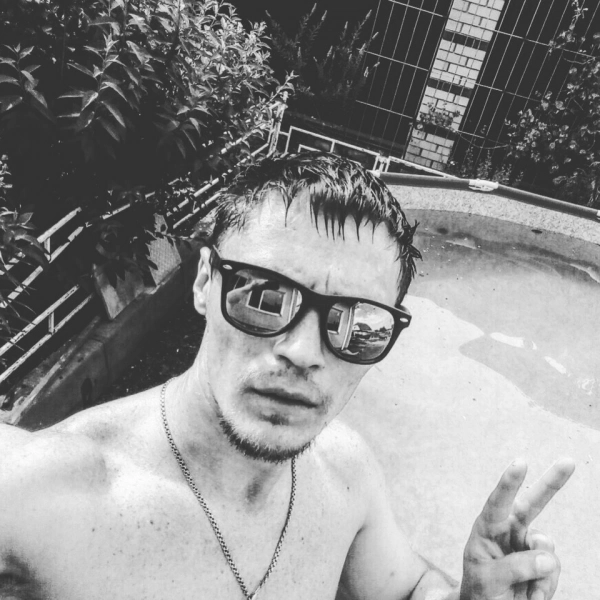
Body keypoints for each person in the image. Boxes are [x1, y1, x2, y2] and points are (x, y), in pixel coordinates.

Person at [0, 152, 574, 600]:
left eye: (357, 325)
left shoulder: (344, 473)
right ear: (204, 282)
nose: (302, 352)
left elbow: (407, 587)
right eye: (264, 296)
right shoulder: (43, 499)